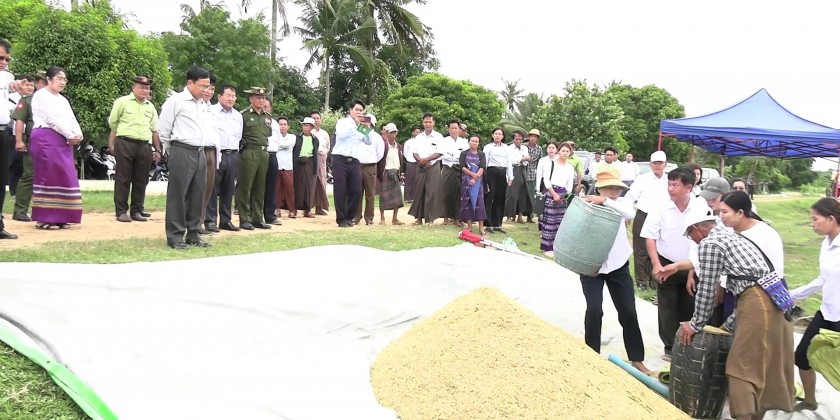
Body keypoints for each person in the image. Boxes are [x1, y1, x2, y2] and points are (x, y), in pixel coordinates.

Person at [675, 212, 794, 420]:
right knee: (767, 366)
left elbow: (707, 289)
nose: (692, 240)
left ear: (697, 229)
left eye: (689, 235)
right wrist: (729, 324)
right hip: (777, 299)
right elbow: (751, 283)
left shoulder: (710, 243)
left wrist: (694, 325)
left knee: (740, 368)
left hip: (759, 302)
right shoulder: (733, 237)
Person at [580, 166, 652, 376]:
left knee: (628, 310)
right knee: (594, 309)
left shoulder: (621, 204)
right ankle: (591, 355)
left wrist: (605, 201)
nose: (613, 191)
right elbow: (576, 234)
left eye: (616, 188)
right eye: (608, 188)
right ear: (599, 188)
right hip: (592, 266)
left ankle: (637, 359)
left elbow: (630, 213)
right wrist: (588, 262)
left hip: (617, 266)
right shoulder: (587, 205)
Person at [641, 167, 711, 360]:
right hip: (666, 262)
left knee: (690, 305)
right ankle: (670, 347)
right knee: (667, 306)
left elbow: (700, 241)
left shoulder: (699, 206)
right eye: (669, 184)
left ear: (689, 187)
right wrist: (656, 264)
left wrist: (691, 272)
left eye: (675, 185)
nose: (671, 189)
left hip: (692, 265)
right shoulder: (660, 206)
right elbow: (650, 237)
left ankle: (688, 346)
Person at [789, 198, 840, 412]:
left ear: (831, 219)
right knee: (802, 355)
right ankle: (810, 400)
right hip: (827, 312)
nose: (812, 224)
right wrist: (794, 294)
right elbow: (822, 279)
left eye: (815, 219)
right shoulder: (826, 244)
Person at [158, 66, 213, 249]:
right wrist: (171, 150)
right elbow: (163, 129)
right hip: (181, 149)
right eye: (202, 86)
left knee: (197, 194)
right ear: (190, 83)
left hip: (200, 151)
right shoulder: (176, 101)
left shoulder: (203, 104)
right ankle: (175, 235)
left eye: (207, 86)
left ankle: (193, 233)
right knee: (178, 194)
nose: (206, 90)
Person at [29, 66, 83, 230]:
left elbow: (71, 118)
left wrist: (78, 134)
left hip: (63, 141)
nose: (62, 82)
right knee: (48, 175)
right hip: (46, 138)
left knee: (65, 175)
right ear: (49, 79)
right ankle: (44, 218)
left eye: (64, 79)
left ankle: (62, 216)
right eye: (59, 78)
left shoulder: (62, 99)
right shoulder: (41, 95)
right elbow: (51, 119)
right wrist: (69, 135)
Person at [107, 76, 160, 223]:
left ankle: (137, 210)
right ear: (133, 88)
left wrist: (157, 149)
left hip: (144, 145)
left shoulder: (150, 107)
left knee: (141, 179)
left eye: (147, 88)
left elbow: (154, 130)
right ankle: (121, 211)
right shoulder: (122, 102)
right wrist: (113, 142)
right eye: (142, 87)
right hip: (125, 142)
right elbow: (113, 123)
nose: (145, 91)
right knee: (123, 178)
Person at [626, 151, 670, 290]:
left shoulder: (669, 180)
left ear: (665, 164)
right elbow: (630, 196)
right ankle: (641, 281)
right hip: (644, 215)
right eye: (654, 163)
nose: (657, 166)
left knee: (658, 249)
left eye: (660, 163)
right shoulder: (642, 179)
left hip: (662, 218)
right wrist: (628, 214)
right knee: (640, 250)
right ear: (650, 164)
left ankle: (655, 279)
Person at [205, 84, 242, 232]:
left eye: (233, 96)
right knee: (213, 188)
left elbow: (239, 136)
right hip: (216, 153)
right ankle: (210, 221)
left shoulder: (238, 116)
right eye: (228, 95)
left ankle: (226, 220)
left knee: (229, 188)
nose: (231, 99)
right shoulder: (211, 112)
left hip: (233, 154)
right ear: (219, 96)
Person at [1, 37, 28, 239]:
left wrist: (16, 85)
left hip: (3, 132)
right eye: (0, 58)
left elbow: (10, 85)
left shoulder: (7, 75)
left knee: (1, 181)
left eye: (6, 59)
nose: (3, 62)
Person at [236, 87, 272, 230]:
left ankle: (257, 217)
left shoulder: (267, 117)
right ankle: (244, 218)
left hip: (263, 152)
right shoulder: (243, 115)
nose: (261, 100)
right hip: (249, 152)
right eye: (258, 97)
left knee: (260, 186)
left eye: (263, 98)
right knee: (245, 186)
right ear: (251, 99)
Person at [331, 99, 371, 227]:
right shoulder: (343, 122)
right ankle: (341, 219)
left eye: (361, 110)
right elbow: (341, 135)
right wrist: (355, 125)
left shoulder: (361, 125)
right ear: (350, 110)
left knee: (356, 190)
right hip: (339, 158)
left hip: (354, 160)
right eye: (357, 110)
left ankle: (349, 217)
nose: (359, 112)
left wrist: (365, 128)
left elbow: (368, 141)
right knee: (340, 190)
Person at [536, 141, 575, 257]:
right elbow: (546, 181)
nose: (565, 153)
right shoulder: (551, 164)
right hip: (551, 193)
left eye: (567, 151)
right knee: (550, 221)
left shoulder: (570, 168)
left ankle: (556, 247)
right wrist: (554, 194)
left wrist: (566, 196)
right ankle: (547, 247)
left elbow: (570, 184)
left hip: (563, 196)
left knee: (560, 222)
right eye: (563, 151)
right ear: (559, 151)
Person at [11, 74, 39, 223]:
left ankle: (42, 211)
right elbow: (20, 121)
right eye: (27, 84)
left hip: (47, 142)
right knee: (30, 174)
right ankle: (20, 210)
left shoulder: (44, 100)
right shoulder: (26, 100)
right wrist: (19, 140)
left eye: (32, 85)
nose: (30, 87)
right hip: (32, 140)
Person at [483, 127, 513, 233]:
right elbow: (485, 163)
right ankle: (488, 224)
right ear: (492, 135)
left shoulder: (506, 148)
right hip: (491, 172)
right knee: (489, 198)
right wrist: (485, 179)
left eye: (500, 134)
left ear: (503, 136)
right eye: (496, 133)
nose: (497, 136)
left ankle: (498, 224)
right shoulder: (488, 147)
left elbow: (509, 162)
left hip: (502, 173)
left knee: (500, 198)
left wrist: (510, 177)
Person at [459, 134, 487, 236]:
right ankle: (469, 226)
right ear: (469, 142)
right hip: (466, 181)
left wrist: (475, 178)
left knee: (480, 203)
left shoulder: (481, 154)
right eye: (472, 141)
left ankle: (481, 228)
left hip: (478, 182)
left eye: (476, 141)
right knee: (468, 202)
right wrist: (471, 175)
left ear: (478, 143)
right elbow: (462, 167)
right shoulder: (463, 154)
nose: (474, 143)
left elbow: (482, 167)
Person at [292, 117, 319, 218]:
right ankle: (294, 209)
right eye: (304, 125)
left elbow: (315, 153)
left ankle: (307, 210)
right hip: (298, 162)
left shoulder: (315, 139)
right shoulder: (297, 137)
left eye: (307, 126)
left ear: (312, 127)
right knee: (297, 185)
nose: (305, 127)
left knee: (309, 186)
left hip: (310, 162)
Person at [379, 123, 404, 225]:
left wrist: (400, 172)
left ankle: (395, 218)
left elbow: (400, 160)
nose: (393, 135)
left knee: (397, 197)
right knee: (383, 197)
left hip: (395, 172)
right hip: (385, 172)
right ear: (386, 133)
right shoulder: (383, 145)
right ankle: (382, 218)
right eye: (391, 132)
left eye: (394, 132)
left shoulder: (398, 146)